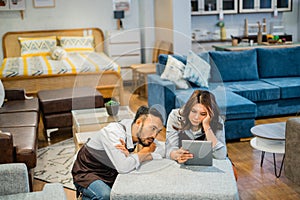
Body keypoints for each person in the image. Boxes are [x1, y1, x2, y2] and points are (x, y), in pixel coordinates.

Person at [72, 105, 164, 200]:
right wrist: (144, 152)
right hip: (88, 172)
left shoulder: (142, 133)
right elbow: (123, 167)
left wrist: (136, 156)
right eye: (152, 128)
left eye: (158, 131)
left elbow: (162, 152)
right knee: (105, 195)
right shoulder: (114, 132)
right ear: (139, 122)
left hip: (111, 172)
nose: (154, 135)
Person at [165, 90, 227, 163]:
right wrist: (176, 155)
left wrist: (206, 127)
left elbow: (221, 156)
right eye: (193, 111)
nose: (196, 117)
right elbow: (169, 151)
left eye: (203, 114)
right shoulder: (175, 116)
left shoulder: (217, 121)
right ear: (188, 109)